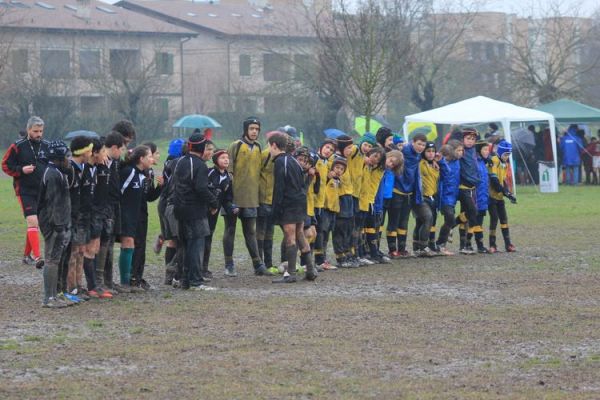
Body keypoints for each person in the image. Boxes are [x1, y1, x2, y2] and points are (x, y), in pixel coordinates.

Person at [224, 117, 271, 276]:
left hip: (251, 198)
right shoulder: (236, 145)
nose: (254, 132)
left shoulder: (258, 147)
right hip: (234, 198)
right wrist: (228, 197)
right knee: (230, 229)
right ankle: (229, 264)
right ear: (245, 129)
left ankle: (258, 264)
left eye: (257, 129)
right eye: (251, 128)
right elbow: (228, 170)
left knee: (250, 231)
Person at [171, 133, 218, 290]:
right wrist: (213, 202)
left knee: (183, 245)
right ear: (202, 147)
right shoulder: (199, 165)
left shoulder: (179, 162)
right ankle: (196, 281)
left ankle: (184, 279)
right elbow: (201, 188)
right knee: (196, 244)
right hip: (194, 210)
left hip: (179, 209)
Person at [2, 116, 49, 268]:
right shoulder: (18, 146)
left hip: (42, 190)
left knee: (35, 223)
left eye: (41, 131)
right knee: (32, 221)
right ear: (29, 130)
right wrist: (21, 170)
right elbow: (5, 165)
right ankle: (37, 257)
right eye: (35, 131)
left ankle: (26, 255)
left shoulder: (47, 146)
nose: (39, 134)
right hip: (24, 190)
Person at [269, 133, 317, 283]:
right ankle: (310, 270)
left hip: (289, 204)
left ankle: (290, 274)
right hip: (300, 202)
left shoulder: (280, 162)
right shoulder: (294, 161)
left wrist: (275, 210)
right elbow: (302, 185)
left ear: (274, 145)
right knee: (300, 235)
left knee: (290, 237)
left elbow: (279, 188)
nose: (269, 150)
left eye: (269, 146)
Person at [38, 141, 72, 308]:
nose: (69, 159)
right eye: (67, 156)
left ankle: (55, 295)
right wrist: (58, 225)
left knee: (56, 259)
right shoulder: (52, 174)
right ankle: (49, 299)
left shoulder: (59, 172)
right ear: (58, 158)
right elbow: (52, 203)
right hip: (53, 224)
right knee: (51, 259)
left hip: (60, 222)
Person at [118, 145, 154, 291]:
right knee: (127, 244)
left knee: (131, 245)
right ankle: (125, 282)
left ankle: (130, 281)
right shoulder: (129, 172)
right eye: (149, 156)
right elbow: (118, 192)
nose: (152, 159)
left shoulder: (141, 175)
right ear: (141, 159)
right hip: (124, 215)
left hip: (134, 217)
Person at [95, 131, 125, 293]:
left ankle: (108, 281)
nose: (122, 153)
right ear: (113, 148)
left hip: (113, 206)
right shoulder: (102, 160)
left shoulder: (114, 161)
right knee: (103, 244)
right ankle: (99, 282)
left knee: (111, 244)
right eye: (121, 149)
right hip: (103, 208)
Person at [391, 133, 430, 257]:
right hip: (397, 191)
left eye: (423, 145)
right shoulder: (403, 151)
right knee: (394, 221)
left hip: (409, 193)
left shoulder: (418, 156)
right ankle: (392, 250)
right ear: (412, 142)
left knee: (404, 222)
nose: (421, 147)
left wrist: (434, 160)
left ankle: (402, 249)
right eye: (419, 144)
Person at [131, 143, 163, 290]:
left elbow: (149, 197)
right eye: (152, 155)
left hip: (143, 214)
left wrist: (160, 187)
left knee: (141, 246)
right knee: (134, 245)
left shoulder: (149, 173)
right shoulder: (132, 172)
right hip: (133, 214)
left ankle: (139, 276)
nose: (154, 158)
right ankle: (132, 278)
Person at [204, 150, 236, 279]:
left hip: (215, 211)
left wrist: (231, 208)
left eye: (227, 158)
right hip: (205, 210)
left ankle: (204, 268)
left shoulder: (228, 177)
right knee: (203, 237)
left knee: (209, 237)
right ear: (216, 160)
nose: (226, 160)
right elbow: (204, 190)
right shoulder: (210, 173)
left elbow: (227, 197)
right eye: (222, 157)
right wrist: (211, 206)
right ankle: (200, 268)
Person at [158, 138, 185, 285]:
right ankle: (173, 271)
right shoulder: (178, 163)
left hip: (163, 202)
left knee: (172, 240)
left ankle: (169, 276)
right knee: (181, 240)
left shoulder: (168, 161)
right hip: (171, 203)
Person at [488, 140, 517, 253]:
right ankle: (492, 244)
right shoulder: (494, 161)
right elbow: (495, 182)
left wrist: (509, 193)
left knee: (504, 219)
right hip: (491, 197)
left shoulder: (505, 164)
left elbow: (503, 181)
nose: (507, 157)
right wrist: (507, 193)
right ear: (500, 153)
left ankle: (508, 244)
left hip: (499, 197)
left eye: (508, 155)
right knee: (494, 219)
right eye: (505, 154)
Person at [358, 146, 386, 262]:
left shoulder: (378, 170)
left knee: (371, 228)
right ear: (369, 153)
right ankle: (362, 254)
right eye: (374, 156)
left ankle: (373, 253)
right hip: (360, 201)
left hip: (370, 201)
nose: (375, 160)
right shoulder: (362, 164)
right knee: (361, 229)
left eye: (378, 159)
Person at [457, 128, 482, 255]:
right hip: (463, 187)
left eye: (473, 139)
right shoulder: (460, 151)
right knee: (473, 212)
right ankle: (452, 225)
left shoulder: (473, 151)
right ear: (462, 139)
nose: (470, 141)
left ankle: (465, 245)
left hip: (473, 186)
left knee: (467, 216)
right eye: (468, 138)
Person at [332, 135, 356, 267]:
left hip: (349, 198)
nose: (351, 150)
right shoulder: (335, 161)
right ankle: (340, 256)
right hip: (340, 198)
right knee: (340, 229)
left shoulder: (347, 160)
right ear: (341, 148)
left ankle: (348, 254)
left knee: (348, 228)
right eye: (348, 148)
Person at [313, 139, 336, 270]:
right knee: (312, 232)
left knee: (320, 232)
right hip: (313, 203)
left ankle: (320, 261)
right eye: (327, 147)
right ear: (321, 147)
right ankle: (307, 262)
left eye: (332, 150)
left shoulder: (326, 162)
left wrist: (328, 177)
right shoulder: (315, 159)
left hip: (320, 203)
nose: (329, 151)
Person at [435, 143, 461, 255]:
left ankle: (441, 245)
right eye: (444, 156)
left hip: (453, 196)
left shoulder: (457, 163)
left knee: (449, 220)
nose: (446, 159)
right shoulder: (438, 164)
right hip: (443, 196)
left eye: (448, 156)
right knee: (450, 218)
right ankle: (439, 243)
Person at [256, 133, 276, 271]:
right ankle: (259, 262)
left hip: (273, 199)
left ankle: (268, 263)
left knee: (270, 232)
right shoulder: (264, 155)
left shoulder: (281, 157)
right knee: (260, 231)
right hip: (262, 198)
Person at [416, 141, 440, 254]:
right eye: (428, 151)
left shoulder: (435, 165)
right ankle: (423, 247)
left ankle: (417, 247)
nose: (431, 154)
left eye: (433, 151)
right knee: (428, 218)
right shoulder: (420, 163)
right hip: (421, 197)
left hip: (432, 197)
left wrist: (439, 161)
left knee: (422, 222)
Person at [472, 140, 491, 253]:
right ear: (479, 150)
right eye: (485, 149)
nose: (487, 152)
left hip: (483, 197)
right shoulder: (475, 162)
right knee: (473, 220)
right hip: (475, 196)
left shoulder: (483, 162)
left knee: (479, 221)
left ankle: (480, 246)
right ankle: (466, 244)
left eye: (488, 149)